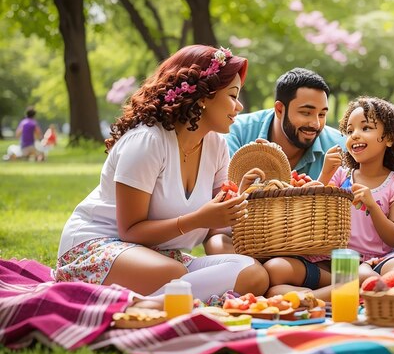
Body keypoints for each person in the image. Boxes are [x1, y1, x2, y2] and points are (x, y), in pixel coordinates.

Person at [55, 45, 269, 302]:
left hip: (160, 255)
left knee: (253, 273)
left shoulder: (216, 145)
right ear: (203, 96)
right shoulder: (148, 141)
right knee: (172, 273)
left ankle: (152, 303)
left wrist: (243, 194)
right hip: (98, 245)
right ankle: (164, 301)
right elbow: (130, 231)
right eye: (233, 95)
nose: (240, 106)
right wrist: (197, 219)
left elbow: (218, 219)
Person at [263, 97, 394, 300]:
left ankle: (317, 296)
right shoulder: (341, 175)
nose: (355, 135)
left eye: (365, 128)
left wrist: (372, 206)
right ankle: (353, 288)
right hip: (330, 262)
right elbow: (314, 208)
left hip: (374, 262)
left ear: (390, 138)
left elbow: (393, 238)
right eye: (350, 131)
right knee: (275, 268)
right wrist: (324, 175)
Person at [224, 67, 345, 180]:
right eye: (306, 113)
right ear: (280, 109)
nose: (316, 124)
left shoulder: (341, 147)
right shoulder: (236, 132)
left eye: (322, 114)